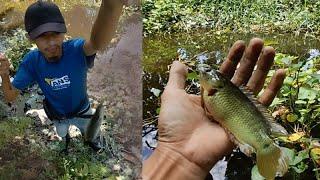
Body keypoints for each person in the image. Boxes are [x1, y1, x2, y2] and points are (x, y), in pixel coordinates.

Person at [142, 38, 286, 179]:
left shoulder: (212, 92)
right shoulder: (210, 92)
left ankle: (266, 147)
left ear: (218, 82)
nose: (203, 73)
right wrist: (174, 151)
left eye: (207, 72)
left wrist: (174, 155)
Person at [0, 0, 124, 152]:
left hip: (83, 110)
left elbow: (98, 44)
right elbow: (10, 96)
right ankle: (66, 142)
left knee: (90, 132)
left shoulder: (77, 50)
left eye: (56, 33)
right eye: (43, 36)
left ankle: (91, 142)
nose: (52, 42)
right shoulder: (32, 62)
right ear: (31, 38)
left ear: (64, 31)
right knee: (62, 133)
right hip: (58, 116)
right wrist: (5, 74)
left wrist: (111, 6)